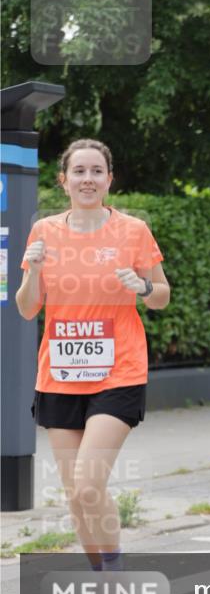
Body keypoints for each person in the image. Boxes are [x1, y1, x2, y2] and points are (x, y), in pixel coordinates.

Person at [15, 139, 170, 571]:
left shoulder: (133, 231)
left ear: (109, 179)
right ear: (63, 181)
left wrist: (142, 287)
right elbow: (27, 308)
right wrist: (34, 272)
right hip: (60, 374)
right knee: (75, 495)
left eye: (96, 171)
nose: (88, 179)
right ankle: (103, 579)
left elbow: (161, 295)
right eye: (79, 171)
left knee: (87, 485)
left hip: (118, 372)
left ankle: (115, 572)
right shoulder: (44, 232)